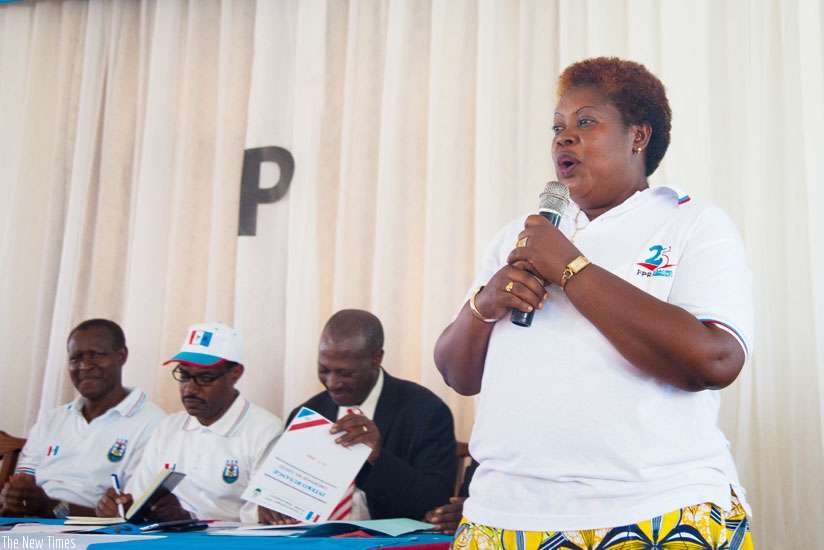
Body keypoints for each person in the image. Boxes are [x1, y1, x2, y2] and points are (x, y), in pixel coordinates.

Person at [434, 57, 755, 549]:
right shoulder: (518, 237)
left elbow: (714, 360)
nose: (564, 137)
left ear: (638, 136)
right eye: (558, 127)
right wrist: (486, 301)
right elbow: (459, 375)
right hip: (502, 518)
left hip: (658, 509)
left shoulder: (691, 224)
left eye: (586, 122)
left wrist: (572, 269)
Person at [259, 309, 456, 524]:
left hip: (385, 543)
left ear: (376, 359)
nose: (332, 383)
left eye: (345, 373)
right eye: (323, 370)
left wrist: (378, 458)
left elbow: (436, 500)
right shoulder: (308, 414)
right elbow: (285, 496)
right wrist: (274, 504)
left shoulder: (426, 412)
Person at [96, 321, 283, 523]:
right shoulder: (169, 427)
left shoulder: (265, 431)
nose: (190, 389)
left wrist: (189, 519)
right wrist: (119, 507)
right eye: (184, 375)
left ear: (235, 373)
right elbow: (138, 499)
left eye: (205, 378)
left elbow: (262, 517)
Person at [0, 319, 165, 519]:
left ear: (121, 356)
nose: (84, 366)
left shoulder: (153, 423)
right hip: (27, 527)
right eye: (75, 358)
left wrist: (49, 507)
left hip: (93, 536)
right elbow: (23, 489)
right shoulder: (51, 421)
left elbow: (131, 512)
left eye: (96, 355)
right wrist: (16, 498)